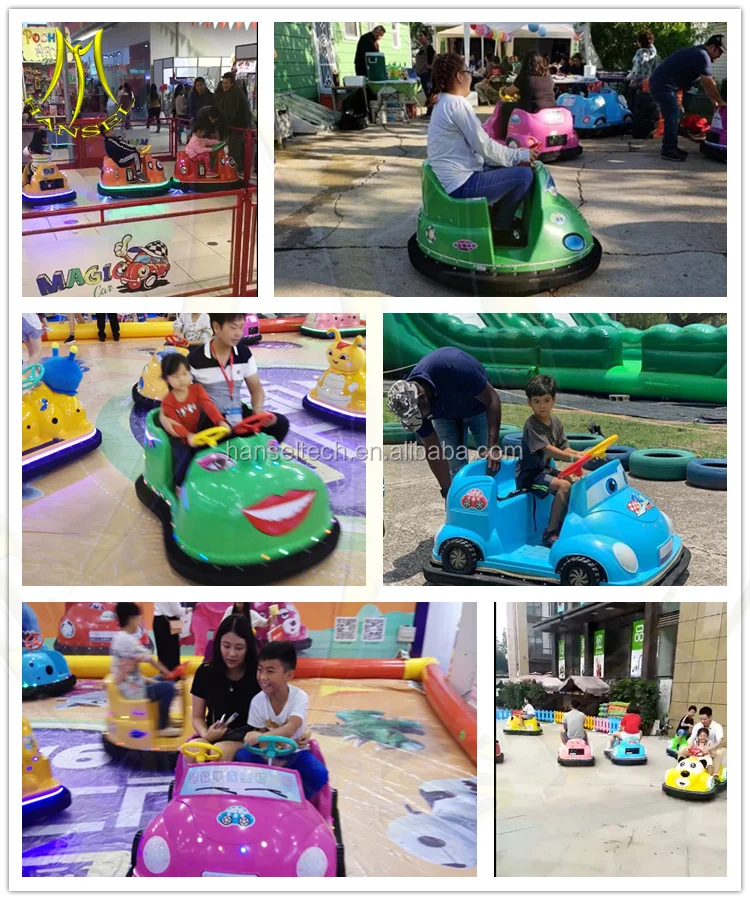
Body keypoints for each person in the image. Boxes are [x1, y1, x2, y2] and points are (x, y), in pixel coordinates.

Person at [427, 52, 539, 245]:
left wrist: (511, 156)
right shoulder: (456, 105)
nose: (471, 75)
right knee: (524, 175)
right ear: (460, 76)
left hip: (457, 177)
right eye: (468, 71)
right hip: (461, 184)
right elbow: (484, 147)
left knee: (508, 166)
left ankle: (499, 216)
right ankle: (500, 228)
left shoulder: (443, 102)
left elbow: (480, 146)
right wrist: (521, 154)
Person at [387, 346, 503, 495]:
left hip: (479, 408)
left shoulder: (454, 365)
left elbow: (492, 399)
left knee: (490, 463)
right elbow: (432, 449)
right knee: (455, 469)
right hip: (445, 416)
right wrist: (447, 492)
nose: (420, 420)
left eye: (419, 416)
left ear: (423, 399)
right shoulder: (411, 406)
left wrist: (492, 446)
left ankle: (496, 504)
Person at [236, 641, 329, 801]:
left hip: (294, 753)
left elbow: (291, 727)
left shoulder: (299, 698)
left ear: (288, 675)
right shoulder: (258, 701)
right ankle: (260, 798)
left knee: (319, 773)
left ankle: (292, 800)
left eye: (270, 671)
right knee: (241, 757)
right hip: (267, 755)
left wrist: (259, 737)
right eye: (260, 670)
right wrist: (260, 741)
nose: (263, 677)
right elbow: (262, 736)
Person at [188, 312, 290, 441]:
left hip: (237, 414)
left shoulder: (244, 353)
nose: (238, 333)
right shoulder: (195, 359)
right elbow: (182, 395)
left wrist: (257, 408)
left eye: (241, 327)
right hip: (211, 420)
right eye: (233, 327)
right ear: (216, 327)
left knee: (280, 423)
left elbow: (256, 389)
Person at [515, 375, 587, 547]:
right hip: (530, 476)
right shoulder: (531, 424)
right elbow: (547, 449)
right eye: (537, 401)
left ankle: (567, 524)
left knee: (574, 481)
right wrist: (572, 457)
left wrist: (581, 454)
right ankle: (551, 532)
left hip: (544, 471)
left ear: (554, 400)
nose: (542, 405)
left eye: (546, 400)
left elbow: (564, 448)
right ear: (529, 403)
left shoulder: (555, 422)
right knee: (563, 486)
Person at [191, 614, 262, 759]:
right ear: (218, 644)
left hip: (248, 738)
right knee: (193, 748)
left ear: (248, 648)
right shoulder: (205, 672)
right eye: (226, 646)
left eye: (239, 648)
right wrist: (206, 734)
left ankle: (217, 782)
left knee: (220, 750)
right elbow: (197, 717)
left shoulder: (258, 674)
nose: (231, 654)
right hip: (213, 734)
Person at [648, 35, 726, 161]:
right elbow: (709, 82)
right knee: (672, 116)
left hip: (664, 85)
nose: (719, 56)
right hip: (663, 86)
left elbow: (705, 83)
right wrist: (721, 102)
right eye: (720, 52)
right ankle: (668, 150)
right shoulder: (702, 55)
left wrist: (714, 102)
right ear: (712, 47)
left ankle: (671, 146)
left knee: (674, 115)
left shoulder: (699, 53)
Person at [158, 353, 230, 486]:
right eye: (175, 376)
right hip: (178, 437)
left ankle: (210, 482)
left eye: (184, 374)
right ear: (166, 379)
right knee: (185, 459)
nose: (181, 379)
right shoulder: (168, 402)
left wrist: (220, 421)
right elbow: (176, 424)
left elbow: (209, 406)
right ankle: (179, 486)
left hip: (196, 432)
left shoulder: (197, 390)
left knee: (212, 453)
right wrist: (188, 435)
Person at [110, 602, 180, 737]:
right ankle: (162, 726)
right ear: (131, 619)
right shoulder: (128, 641)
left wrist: (154, 680)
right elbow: (149, 659)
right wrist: (167, 672)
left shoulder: (118, 637)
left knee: (160, 680)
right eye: (138, 618)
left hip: (130, 683)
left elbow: (128, 669)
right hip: (133, 690)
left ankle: (165, 718)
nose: (140, 622)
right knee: (169, 688)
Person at [500, 50, 558, 139]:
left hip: (533, 108)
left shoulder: (524, 77)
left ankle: (504, 135)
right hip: (551, 106)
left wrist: (503, 89)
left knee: (505, 107)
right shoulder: (547, 75)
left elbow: (510, 91)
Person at [214, 71, 250, 172]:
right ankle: (238, 167)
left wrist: (222, 122)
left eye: (226, 83)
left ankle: (234, 169)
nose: (224, 85)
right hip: (235, 125)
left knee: (234, 148)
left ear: (232, 83)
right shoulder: (229, 92)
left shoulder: (235, 93)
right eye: (223, 83)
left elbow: (231, 112)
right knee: (235, 147)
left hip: (239, 125)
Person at [677, 705, 725, 775]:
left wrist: (709, 748)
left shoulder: (717, 726)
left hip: (711, 749)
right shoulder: (698, 725)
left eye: (705, 719)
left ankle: (715, 774)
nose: (702, 721)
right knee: (682, 749)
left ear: (710, 717)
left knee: (719, 752)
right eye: (701, 719)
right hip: (697, 748)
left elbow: (719, 741)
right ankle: (681, 770)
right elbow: (692, 738)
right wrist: (690, 746)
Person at [185, 108, 223, 177]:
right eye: (202, 133)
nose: (203, 134)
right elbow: (199, 150)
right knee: (206, 155)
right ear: (198, 131)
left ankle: (210, 169)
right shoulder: (194, 140)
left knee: (206, 152)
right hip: (193, 155)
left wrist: (217, 142)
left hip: (196, 153)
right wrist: (211, 149)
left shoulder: (200, 138)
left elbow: (207, 141)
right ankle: (208, 172)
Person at [152, 601, 184, 672]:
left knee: (162, 653)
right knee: (172, 652)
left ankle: (164, 674)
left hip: (158, 620)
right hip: (168, 622)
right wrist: (188, 610)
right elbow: (177, 611)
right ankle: (173, 676)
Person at [414, 29, 436, 118]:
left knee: (429, 92)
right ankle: (429, 111)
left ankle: (431, 113)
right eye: (418, 36)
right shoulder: (421, 48)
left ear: (426, 37)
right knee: (427, 93)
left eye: (421, 36)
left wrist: (431, 66)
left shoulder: (428, 47)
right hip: (421, 73)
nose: (419, 38)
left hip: (427, 73)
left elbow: (435, 55)